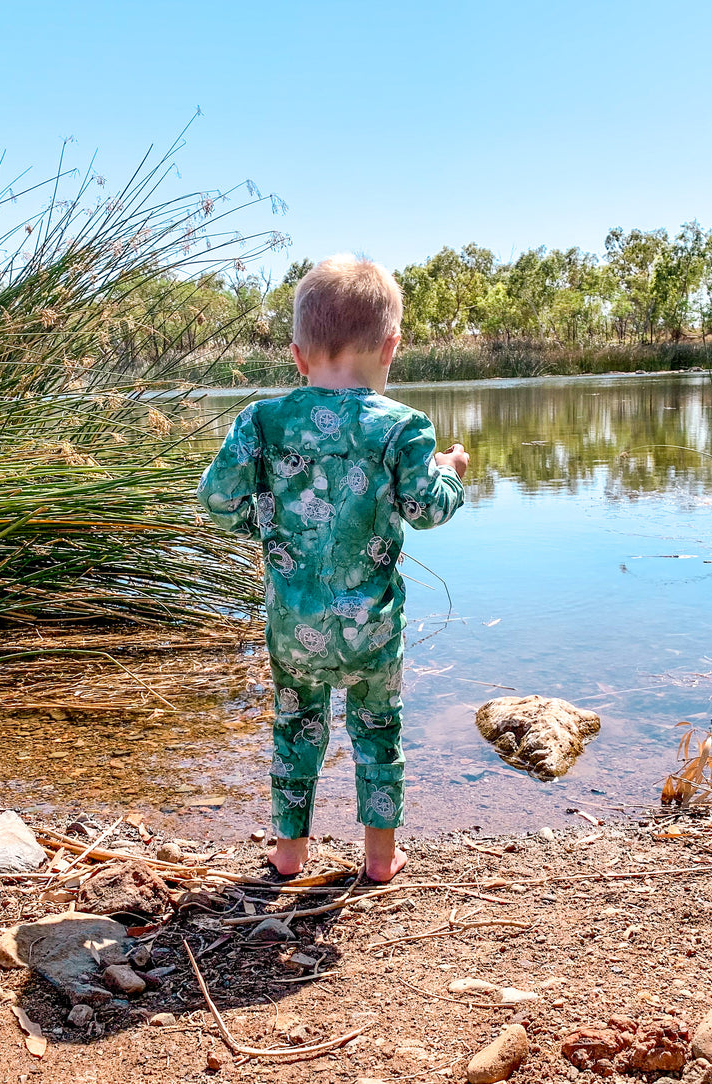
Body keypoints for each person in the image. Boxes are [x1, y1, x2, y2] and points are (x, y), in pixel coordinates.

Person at [197, 254, 469, 882]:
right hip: (372, 626)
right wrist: (452, 475)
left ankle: (289, 854)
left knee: (296, 726)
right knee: (378, 729)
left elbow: (217, 499)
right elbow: (426, 511)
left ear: (298, 355)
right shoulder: (403, 427)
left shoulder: (261, 421)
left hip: (295, 624)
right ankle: (379, 858)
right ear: (391, 348)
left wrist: (264, 526)